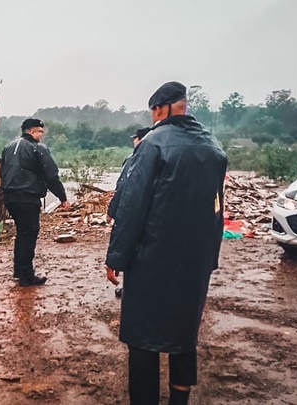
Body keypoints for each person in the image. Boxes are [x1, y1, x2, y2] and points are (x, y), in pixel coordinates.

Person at [105, 81, 227, 405]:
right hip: (194, 261)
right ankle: (179, 399)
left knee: (143, 337)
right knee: (183, 333)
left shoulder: (153, 143)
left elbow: (133, 205)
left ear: (159, 110)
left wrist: (116, 256)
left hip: (152, 260)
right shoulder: (213, 147)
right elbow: (218, 208)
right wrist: (210, 257)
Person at [0, 118, 71, 287]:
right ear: (32, 132)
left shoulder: (8, 147)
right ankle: (26, 276)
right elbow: (51, 175)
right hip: (27, 197)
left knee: (22, 232)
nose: (42, 135)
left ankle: (19, 269)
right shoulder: (37, 148)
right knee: (29, 233)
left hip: (10, 196)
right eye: (40, 132)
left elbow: (3, 171)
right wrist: (62, 197)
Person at [107, 127, 151, 223]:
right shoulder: (160, 156)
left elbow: (123, 184)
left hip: (133, 208)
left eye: (135, 139)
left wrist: (112, 210)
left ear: (140, 140)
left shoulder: (132, 159)